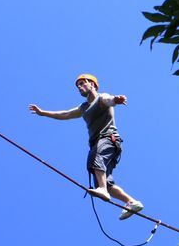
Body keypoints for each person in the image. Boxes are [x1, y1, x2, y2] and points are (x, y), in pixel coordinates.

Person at [29, 74, 144, 220]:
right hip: (98, 143)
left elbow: (109, 100)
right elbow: (65, 114)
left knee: (97, 160)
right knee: (105, 181)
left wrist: (116, 100)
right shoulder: (83, 108)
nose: (79, 87)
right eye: (78, 86)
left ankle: (102, 190)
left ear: (93, 85)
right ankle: (131, 202)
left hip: (108, 139)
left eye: (82, 83)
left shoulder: (102, 97)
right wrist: (43, 113)